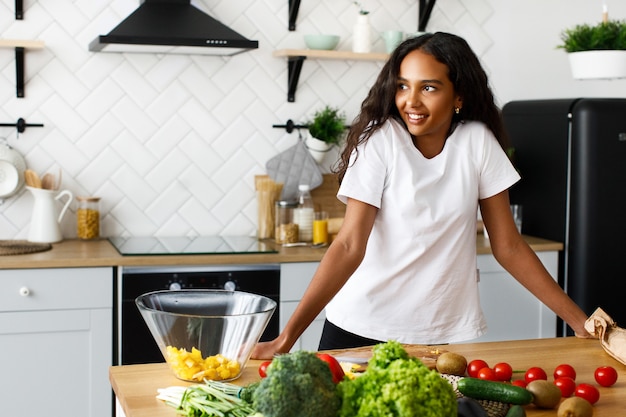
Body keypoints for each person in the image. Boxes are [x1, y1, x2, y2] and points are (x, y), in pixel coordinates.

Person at [252, 32, 591, 359]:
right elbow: (349, 246)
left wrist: (580, 322)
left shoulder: (477, 142)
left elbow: (509, 246)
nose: (410, 101)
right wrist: (286, 338)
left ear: (459, 97)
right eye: (402, 85)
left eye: (428, 87)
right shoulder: (380, 141)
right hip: (360, 329)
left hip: (440, 336)